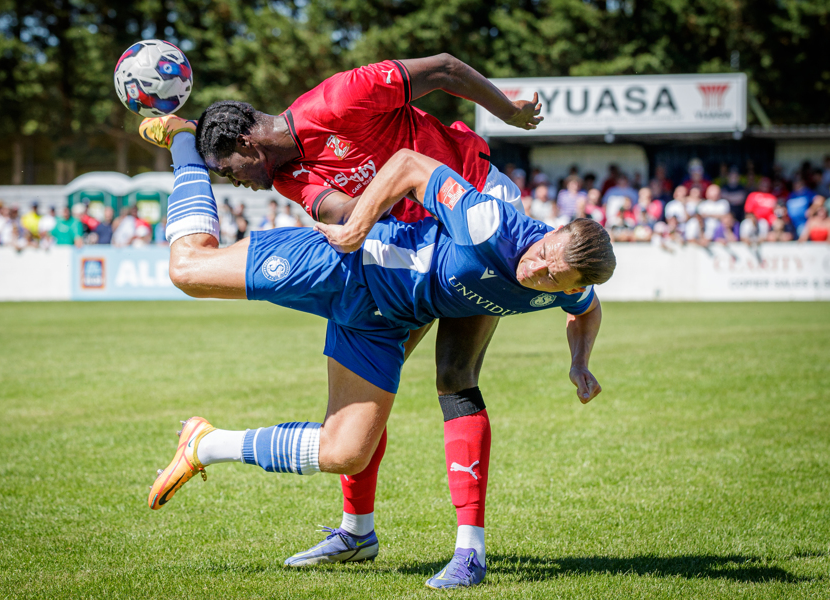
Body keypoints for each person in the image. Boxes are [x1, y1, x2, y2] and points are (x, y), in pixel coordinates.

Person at [138, 54, 545, 577]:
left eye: (228, 172)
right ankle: (356, 532)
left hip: (474, 207)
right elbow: (347, 216)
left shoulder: (338, 99)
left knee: (455, 374)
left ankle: (470, 549)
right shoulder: (289, 176)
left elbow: (443, 69)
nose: (234, 184)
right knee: (363, 405)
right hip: (409, 253)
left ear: (246, 144)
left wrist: (506, 111)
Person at [147, 145, 615, 589]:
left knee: (345, 451)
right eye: (541, 255)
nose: (536, 269)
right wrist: (357, 226)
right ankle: (186, 144)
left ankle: (206, 445)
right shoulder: (490, 224)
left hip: (380, 325)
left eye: (552, 276)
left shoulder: (566, 286)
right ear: (552, 230)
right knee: (189, 270)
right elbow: (410, 164)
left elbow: (586, 309)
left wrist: (580, 362)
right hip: (346, 263)